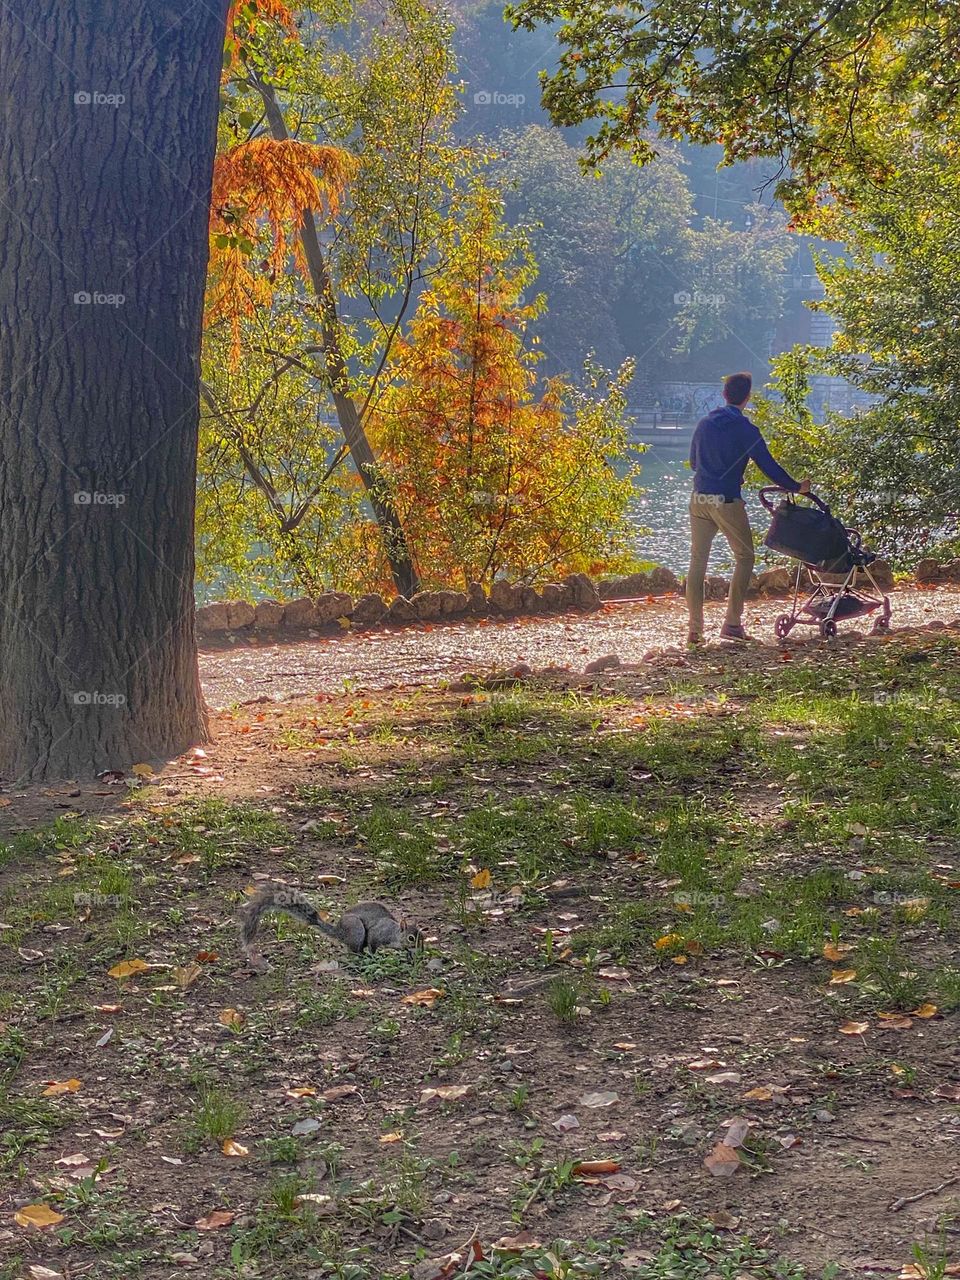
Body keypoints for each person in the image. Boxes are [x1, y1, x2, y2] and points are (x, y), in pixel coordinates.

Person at [686, 371, 811, 645]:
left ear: (724, 395)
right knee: (745, 557)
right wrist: (796, 487)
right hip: (726, 501)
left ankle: (695, 631)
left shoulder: (705, 423)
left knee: (697, 562)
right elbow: (769, 467)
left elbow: (694, 463)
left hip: (699, 499)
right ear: (747, 398)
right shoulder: (746, 430)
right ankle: (731, 624)